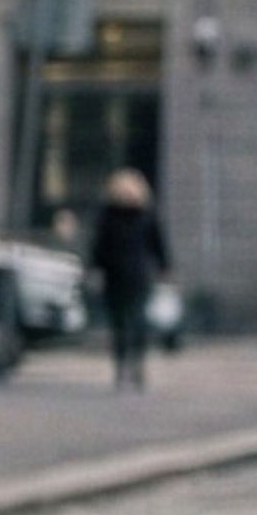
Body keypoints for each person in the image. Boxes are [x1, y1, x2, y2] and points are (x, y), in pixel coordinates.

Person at [90, 167, 169, 389]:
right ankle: (124, 364)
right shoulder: (109, 214)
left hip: (136, 274)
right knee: (120, 322)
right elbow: (99, 245)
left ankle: (134, 363)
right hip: (117, 274)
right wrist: (96, 268)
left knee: (136, 320)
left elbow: (157, 242)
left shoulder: (145, 213)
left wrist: (164, 267)